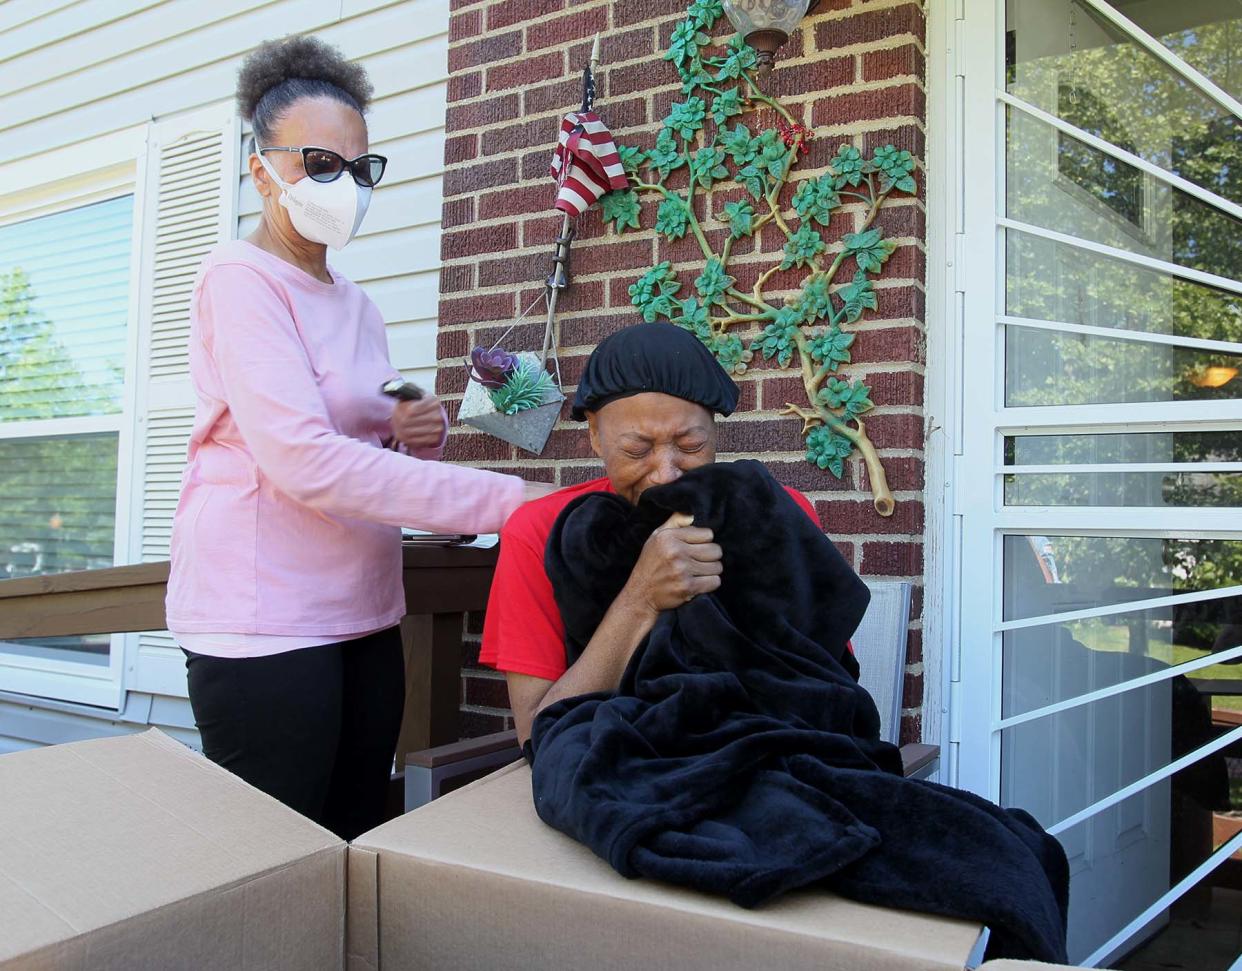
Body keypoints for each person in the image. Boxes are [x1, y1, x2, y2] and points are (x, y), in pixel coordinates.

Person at [166, 35, 550, 840]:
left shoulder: (360, 305)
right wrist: (510, 502)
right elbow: (304, 456)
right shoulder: (238, 280)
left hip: (366, 608)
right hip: (265, 618)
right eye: (320, 164)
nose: (345, 186)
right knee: (275, 857)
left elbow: (377, 414)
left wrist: (421, 428)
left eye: (360, 167)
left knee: (351, 831)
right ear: (259, 167)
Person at [480, 323, 826, 743]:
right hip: (605, 769)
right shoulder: (540, 531)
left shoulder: (775, 513)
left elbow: (822, 688)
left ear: (714, 431)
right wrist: (641, 597)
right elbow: (536, 732)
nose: (666, 474)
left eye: (691, 445)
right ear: (594, 435)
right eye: (636, 451)